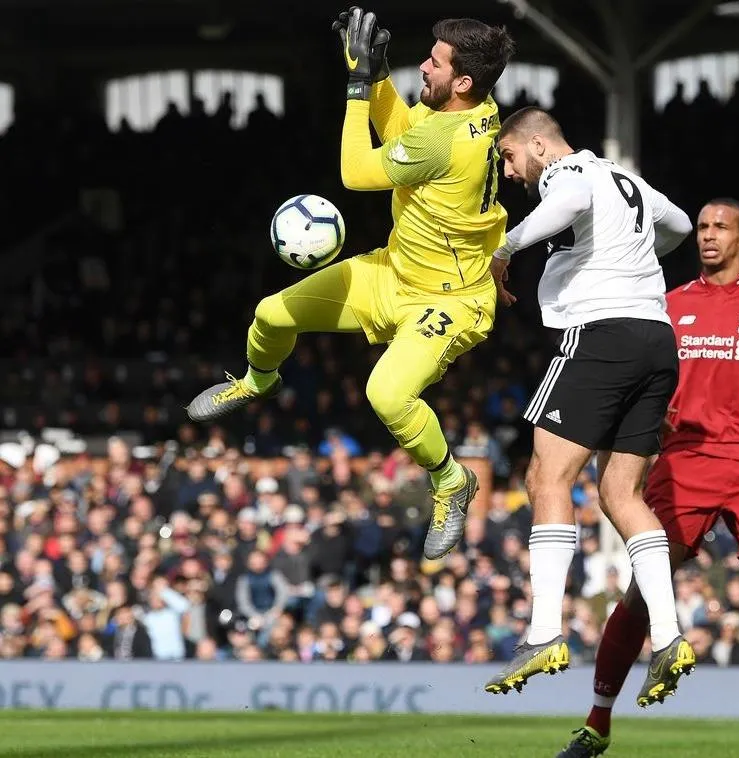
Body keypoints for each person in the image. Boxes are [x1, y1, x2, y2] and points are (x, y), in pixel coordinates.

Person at [185, 8, 516, 561]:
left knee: (386, 393)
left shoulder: (444, 140)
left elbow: (355, 173)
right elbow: (407, 132)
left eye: (433, 62)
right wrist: (383, 76)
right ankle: (256, 382)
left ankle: (450, 480)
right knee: (271, 314)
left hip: (450, 300)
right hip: (395, 270)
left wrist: (359, 87)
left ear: (462, 81)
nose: (423, 66)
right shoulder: (476, 111)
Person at [558, 199, 739, 758]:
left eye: (721, 228)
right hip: (683, 464)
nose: (708, 237)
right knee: (644, 595)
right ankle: (597, 724)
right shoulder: (666, 305)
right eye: (703, 228)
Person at [481, 107, 695, 705]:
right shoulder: (624, 178)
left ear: (540, 145)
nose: (511, 169)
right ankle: (671, 636)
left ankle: (545, 631)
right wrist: (637, 260)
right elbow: (676, 224)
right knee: (621, 496)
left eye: (510, 155)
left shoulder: (566, 173)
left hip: (599, 334)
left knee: (546, 476)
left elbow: (566, 205)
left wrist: (507, 248)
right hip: (657, 336)